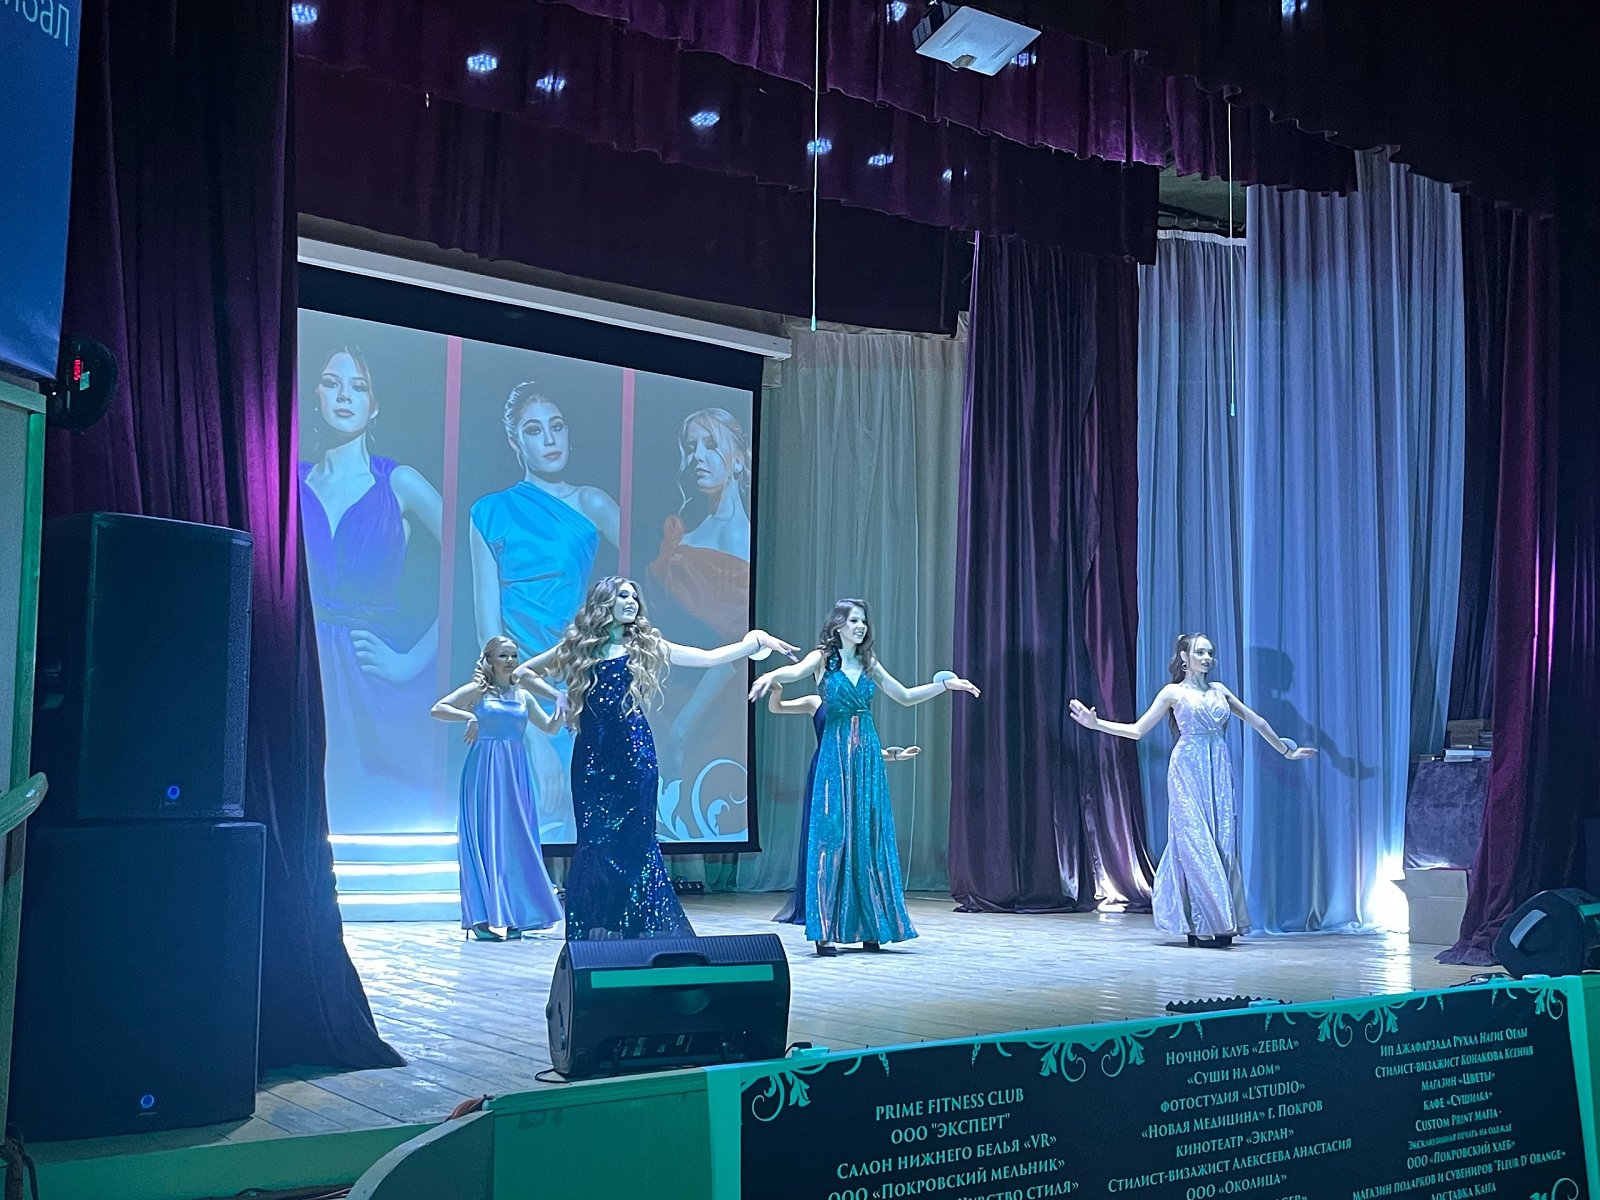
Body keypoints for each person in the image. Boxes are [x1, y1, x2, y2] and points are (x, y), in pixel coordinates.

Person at [517, 577, 797, 940]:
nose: (631, 601)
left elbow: (707, 658)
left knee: (637, 839)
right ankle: (598, 926)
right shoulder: (578, 647)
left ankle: (637, 927)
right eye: (623, 595)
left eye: (634, 596)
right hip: (591, 758)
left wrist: (753, 642)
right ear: (604, 602)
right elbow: (523, 673)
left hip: (635, 754)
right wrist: (557, 695)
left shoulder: (644, 644)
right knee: (594, 839)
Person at [750, 599, 980, 957]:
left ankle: (871, 927)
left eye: (864, 621)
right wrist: (770, 676)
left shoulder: (870, 663)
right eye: (854, 620)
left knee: (869, 838)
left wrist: (946, 687)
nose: (861, 627)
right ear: (838, 624)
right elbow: (794, 674)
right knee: (832, 838)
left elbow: (905, 696)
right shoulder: (822, 659)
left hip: (867, 757)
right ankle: (825, 930)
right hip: (834, 756)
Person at [1069, 632, 1317, 948]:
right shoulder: (1173, 693)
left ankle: (1215, 921)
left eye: (1210, 653)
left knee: (1222, 843)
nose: (1207, 658)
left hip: (1218, 771)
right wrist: (1097, 724)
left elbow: (1257, 722)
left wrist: (1286, 751)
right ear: (1185, 658)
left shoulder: (1219, 691)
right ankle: (1205, 924)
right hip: (1186, 770)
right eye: (1200, 652)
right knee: (1195, 844)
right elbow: (1137, 731)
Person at [299, 345, 447, 832]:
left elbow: (477, 569)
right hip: (302, 671)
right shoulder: (290, 481)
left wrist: (412, 661)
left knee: (379, 815)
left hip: (374, 687)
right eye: (332, 383)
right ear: (316, 394)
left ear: (375, 404)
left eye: (358, 387)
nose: (344, 396)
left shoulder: (398, 482)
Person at [469, 383, 620, 842]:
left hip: (582, 681)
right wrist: (532, 731)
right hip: (521, 690)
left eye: (557, 426)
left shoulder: (592, 503)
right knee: (527, 824)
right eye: (534, 430)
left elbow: (643, 587)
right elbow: (488, 632)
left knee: (592, 821)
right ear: (514, 441)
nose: (550, 439)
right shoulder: (489, 512)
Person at [650, 408, 753, 837]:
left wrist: (683, 727)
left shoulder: (742, 542)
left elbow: (733, 649)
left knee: (696, 809)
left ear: (739, 460)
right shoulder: (684, 535)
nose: (697, 457)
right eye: (691, 447)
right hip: (663, 698)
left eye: (711, 445)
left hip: (709, 710)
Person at [432, 637, 566, 942]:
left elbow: (550, 727)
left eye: (514, 656)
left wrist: (561, 706)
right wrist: (469, 716)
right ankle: (481, 917)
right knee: (485, 838)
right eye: (503, 656)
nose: (510, 661)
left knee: (516, 840)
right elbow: (438, 709)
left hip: (515, 772)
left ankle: (516, 913)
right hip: (484, 770)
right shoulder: (479, 691)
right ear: (489, 660)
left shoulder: (523, 695)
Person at [765, 681, 920, 926]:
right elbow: (777, 708)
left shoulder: (853, 708)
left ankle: (851, 907)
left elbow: (862, 747)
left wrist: (895, 754)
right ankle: (820, 907)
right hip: (827, 776)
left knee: (856, 839)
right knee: (827, 840)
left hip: (854, 776)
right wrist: (777, 691)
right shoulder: (815, 702)